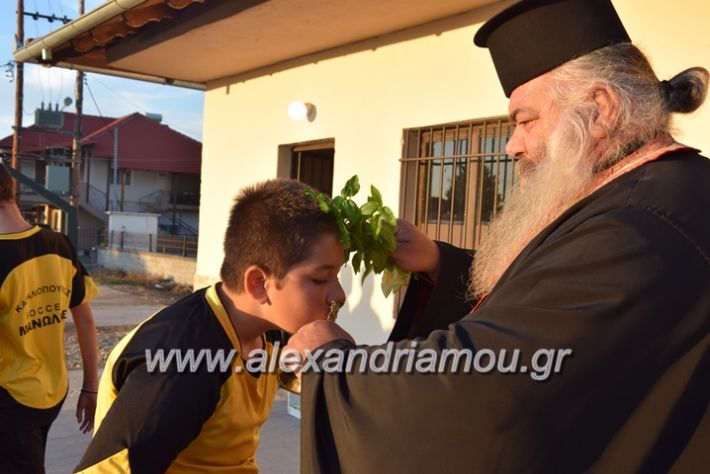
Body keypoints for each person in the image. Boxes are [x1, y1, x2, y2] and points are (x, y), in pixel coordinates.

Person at [285, 0, 710, 472]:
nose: (512, 145)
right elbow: (554, 302)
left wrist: (337, 362)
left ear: (601, 108)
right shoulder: (662, 195)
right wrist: (439, 264)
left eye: (525, 121)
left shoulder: (640, 227)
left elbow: (480, 393)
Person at [75, 179, 347, 473]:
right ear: (259, 283)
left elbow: (290, 373)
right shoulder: (183, 364)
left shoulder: (268, 328)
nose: (339, 296)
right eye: (320, 279)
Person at [0, 162, 100, 473]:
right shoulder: (58, 244)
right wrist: (90, 387)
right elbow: (85, 320)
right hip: (53, 392)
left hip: (10, 400)